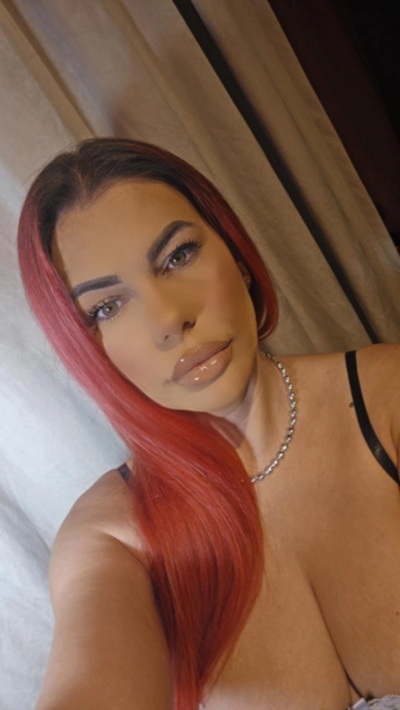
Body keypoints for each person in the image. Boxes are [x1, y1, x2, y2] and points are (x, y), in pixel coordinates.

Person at [18, 138, 400, 710]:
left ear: (237, 255)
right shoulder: (111, 538)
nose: (170, 319)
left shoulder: (388, 396)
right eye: (106, 308)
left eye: (178, 256)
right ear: (85, 348)